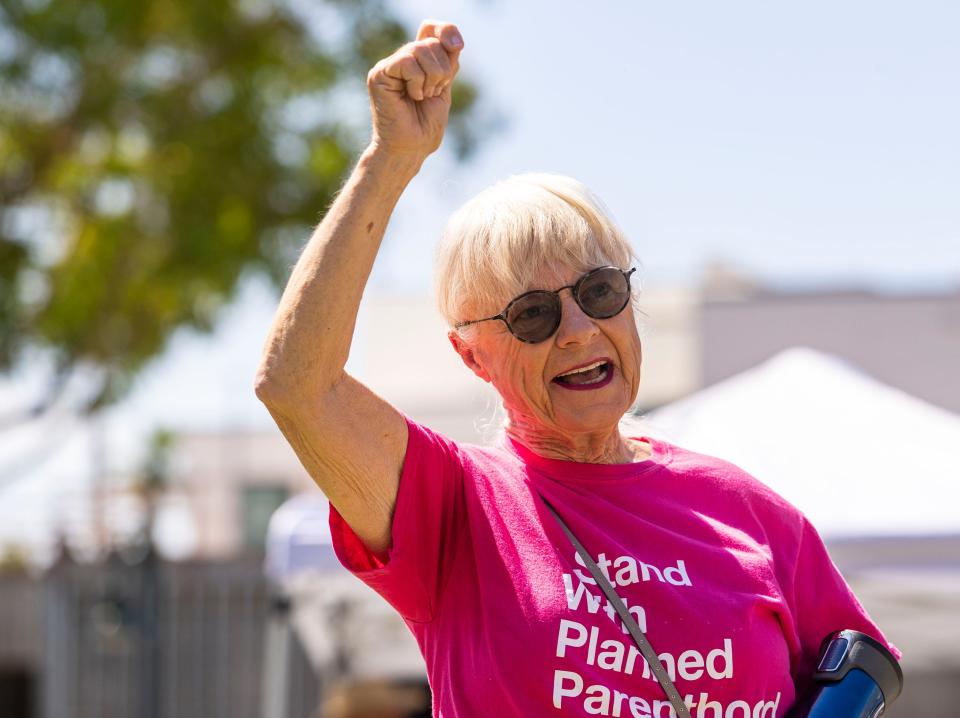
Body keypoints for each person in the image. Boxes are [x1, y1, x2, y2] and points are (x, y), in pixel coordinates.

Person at [255, 20, 900, 718]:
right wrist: (391, 158)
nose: (579, 330)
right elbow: (297, 385)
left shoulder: (751, 513)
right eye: (532, 316)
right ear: (471, 355)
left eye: (599, 293)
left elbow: (864, 668)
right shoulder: (454, 505)